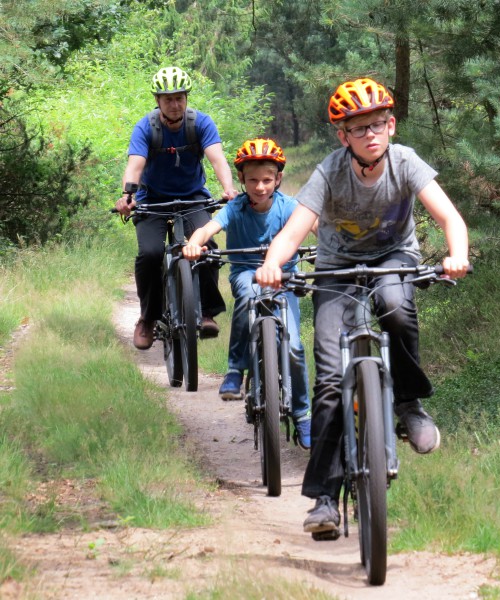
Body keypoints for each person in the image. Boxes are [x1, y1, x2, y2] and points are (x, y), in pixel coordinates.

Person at [255, 77, 470, 536]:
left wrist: (457, 255)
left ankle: (409, 406)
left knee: (395, 302)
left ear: (391, 126)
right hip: (336, 267)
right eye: (359, 128)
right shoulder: (329, 173)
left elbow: (449, 217)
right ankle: (325, 500)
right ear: (343, 136)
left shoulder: (406, 162)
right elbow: (294, 232)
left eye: (378, 124)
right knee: (331, 377)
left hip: (394, 258)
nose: (371, 134)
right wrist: (273, 264)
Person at [182, 138, 313, 449]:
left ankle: (303, 414)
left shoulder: (290, 207)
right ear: (241, 179)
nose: (260, 186)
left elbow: (319, 227)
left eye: (267, 180)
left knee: (294, 348)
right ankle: (235, 369)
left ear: (278, 179)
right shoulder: (235, 208)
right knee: (246, 296)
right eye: (253, 180)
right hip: (246, 274)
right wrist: (194, 242)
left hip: (285, 278)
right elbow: (208, 229)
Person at [115, 66, 237, 350]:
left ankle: (205, 311)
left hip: (193, 198)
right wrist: (128, 196)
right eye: (168, 98)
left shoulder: (200, 123)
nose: (175, 104)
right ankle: (148, 318)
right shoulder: (146, 127)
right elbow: (135, 165)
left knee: (208, 249)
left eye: (180, 97)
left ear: (186, 98)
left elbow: (218, 159)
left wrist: (228, 189)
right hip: (152, 201)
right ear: (158, 101)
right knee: (150, 254)